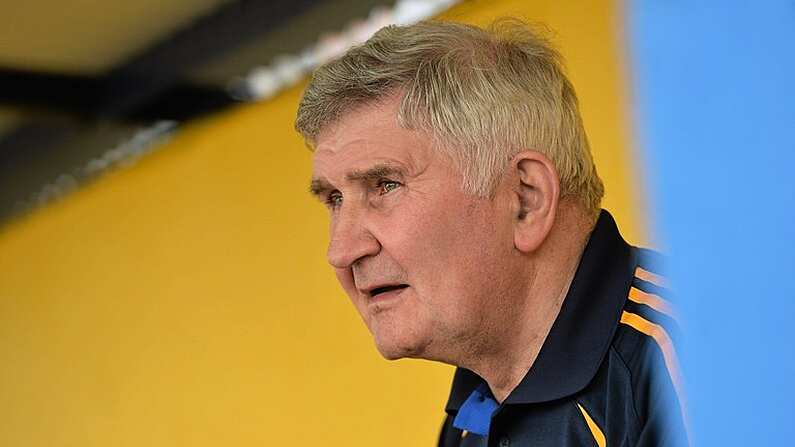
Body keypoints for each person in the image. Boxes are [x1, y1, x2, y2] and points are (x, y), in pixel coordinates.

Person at [295, 19, 687, 447]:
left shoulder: (691, 356)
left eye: (385, 185)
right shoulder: (473, 414)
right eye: (334, 199)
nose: (341, 249)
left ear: (525, 199)